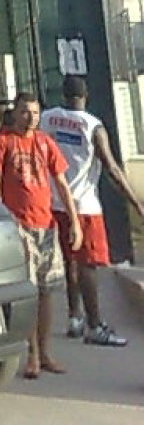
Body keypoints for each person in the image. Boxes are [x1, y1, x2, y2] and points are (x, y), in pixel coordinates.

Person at [40, 74, 143, 347]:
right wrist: (137, 204)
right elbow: (111, 169)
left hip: (55, 202)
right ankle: (95, 325)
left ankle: (74, 317)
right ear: (86, 96)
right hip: (84, 205)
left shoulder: (47, 119)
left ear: (63, 94)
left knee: (70, 261)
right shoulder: (93, 126)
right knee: (88, 265)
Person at [0, 91, 82, 380]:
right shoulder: (2, 142)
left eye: (36, 113)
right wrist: (5, 220)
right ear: (15, 112)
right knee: (27, 291)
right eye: (25, 112)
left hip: (46, 225)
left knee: (46, 291)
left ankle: (45, 351)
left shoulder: (45, 142)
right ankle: (32, 356)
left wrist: (74, 221)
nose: (31, 118)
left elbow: (61, 183)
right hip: (19, 226)